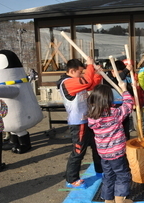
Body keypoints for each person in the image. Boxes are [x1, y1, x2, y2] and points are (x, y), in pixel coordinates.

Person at [56, 57, 103, 189]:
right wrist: (90, 66)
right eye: (80, 72)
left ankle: (100, 170)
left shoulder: (77, 81)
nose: (82, 74)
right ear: (72, 71)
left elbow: (92, 84)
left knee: (96, 146)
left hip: (87, 120)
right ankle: (71, 179)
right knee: (78, 151)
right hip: (78, 123)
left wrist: (97, 73)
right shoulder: (67, 83)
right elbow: (87, 80)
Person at [87, 82, 134, 203]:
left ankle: (108, 200)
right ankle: (120, 199)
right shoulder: (114, 113)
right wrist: (124, 90)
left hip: (103, 154)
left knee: (108, 176)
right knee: (122, 175)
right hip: (117, 153)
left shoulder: (92, 116)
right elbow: (128, 105)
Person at [103, 59, 134, 140]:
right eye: (112, 71)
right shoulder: (108, 79)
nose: (114, 73)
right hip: (113, 109)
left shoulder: (126, 79)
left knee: (125, 129)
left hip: (124, 108)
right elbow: (117, 80)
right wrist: (126, 70)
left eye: (117, 71)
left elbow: (130, 92)